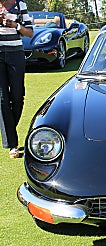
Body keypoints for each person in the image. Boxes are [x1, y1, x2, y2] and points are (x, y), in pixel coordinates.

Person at [0, 0, 33, 158]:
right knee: (2, 100)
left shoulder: (20, 5)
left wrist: (15, 25)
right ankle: (12, 144)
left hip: (16, 54)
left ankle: (9, 130)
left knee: (17, 97)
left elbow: (30, 32)